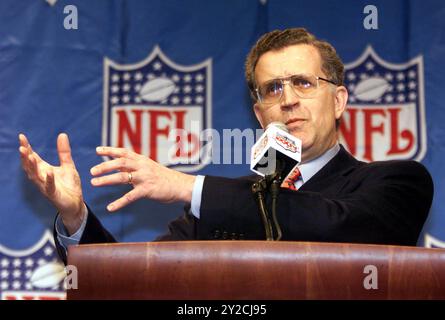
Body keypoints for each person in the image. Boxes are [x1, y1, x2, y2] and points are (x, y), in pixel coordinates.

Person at [19, 28, 434, 264]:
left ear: (338, 99)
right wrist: (75, 217)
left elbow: (338, 227)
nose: (288, 99)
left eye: (303, 83)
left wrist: (188, 187)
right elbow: (129, 279)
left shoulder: (396, 181)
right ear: (259, 114)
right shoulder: (216, 209)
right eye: (273, 89)